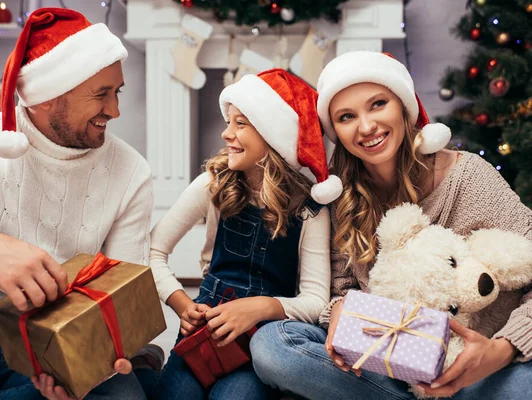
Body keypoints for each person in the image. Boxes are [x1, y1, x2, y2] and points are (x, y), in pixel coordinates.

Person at [250, 50, 532, 400]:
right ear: (334, 129)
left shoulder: (468, 176)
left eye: (378, 104)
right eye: (347, 116)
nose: (366, 127)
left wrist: (503, 348)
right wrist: (340, 310)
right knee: (272, 345)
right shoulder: (341, 196)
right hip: (391, 365)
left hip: (484, 367)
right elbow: (342, 288)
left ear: (402, 106)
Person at [0, 7, 159, 400]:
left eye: (116, 92)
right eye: (101, 94)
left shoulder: (131, 172)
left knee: (125, 396)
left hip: (51, 344)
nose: (115, 111)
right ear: (46, 98)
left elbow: (124, 292)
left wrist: (106, 351)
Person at [148, 69, 340, 400]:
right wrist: (181, 305)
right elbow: (153, 251)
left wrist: (260, 308)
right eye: (229, 122)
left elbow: (315, 301)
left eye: (240, 123)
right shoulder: (213, 185)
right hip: (202, 335)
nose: (226, 134)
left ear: (272, 133)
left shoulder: (311, 209)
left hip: (260, 346)